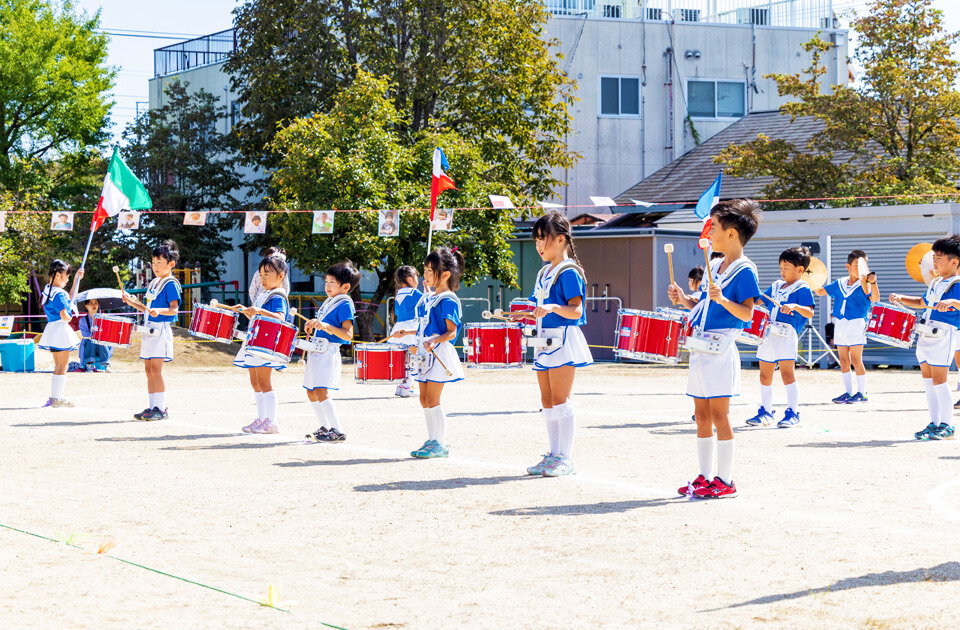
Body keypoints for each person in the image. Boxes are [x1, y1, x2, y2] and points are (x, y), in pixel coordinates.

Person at [668, 199, 763, 499]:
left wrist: (722, 300)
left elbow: (747, 314)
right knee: (701, 414)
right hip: (701, 347)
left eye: (715, 227)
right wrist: (685, 299)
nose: (709, 233)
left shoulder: (745, 270)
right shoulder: (716, 265)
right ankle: (705, 476)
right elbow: (705, 305)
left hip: (721, 349)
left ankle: (726, 480)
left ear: (732, 234)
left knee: (720, 416)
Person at [511, 213, 593, 477]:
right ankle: (553, 454)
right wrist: (523, 313)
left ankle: (564, 457)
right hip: (544, 339)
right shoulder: (544, 271)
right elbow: (538, 306)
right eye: (536, 240)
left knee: (560, 399)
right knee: (547, 400)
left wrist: (552, 307)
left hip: (564, 339)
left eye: (543, 239)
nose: (538, 245)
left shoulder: (569, 271)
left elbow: (576, 310)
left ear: (561, 239)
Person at [890, 236, 960, 440]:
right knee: (929, 382)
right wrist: (901, 298)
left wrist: (954, 301)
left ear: (954, 262)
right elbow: (922, 302)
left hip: (944, 335)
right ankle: (935, 422)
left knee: (940, 381)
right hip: (925, 333)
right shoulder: (936, 282)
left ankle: (948, 425)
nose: (934, 262)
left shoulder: (957, 283)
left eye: (938, 258)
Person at [746, 247, 815, 428]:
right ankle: (766, 412)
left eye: (786, 267)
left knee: (787, 374)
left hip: (786, 335)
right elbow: (758, 301)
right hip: (768, 334)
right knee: (764, 374)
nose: (782, 271)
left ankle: (793, 412)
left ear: (800, 270)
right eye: (781, 268)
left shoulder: (802, 287)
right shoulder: (776, 285)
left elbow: (809, 312)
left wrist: (794, 306)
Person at [409, 247, 465, 458]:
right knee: (423, 399)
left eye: (430, 271)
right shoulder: (431, 297)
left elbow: (451, 332)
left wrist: (434, 340)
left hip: (439, 354)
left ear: (445, 274)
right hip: (425, 353)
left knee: (433, 399)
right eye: (424, 270)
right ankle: (432, 439)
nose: (425, 275)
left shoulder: (448, 300)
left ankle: (439, 443)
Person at [122, 240, 182, 421]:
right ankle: (151, 406)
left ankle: (161, 408)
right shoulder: (154, 282)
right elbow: (146, 308)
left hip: (161, 331)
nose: (155, 266)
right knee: (148, 370)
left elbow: (174, 309)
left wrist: (160, 311)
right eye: (153, 263)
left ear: (171, 264)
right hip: (149, 330)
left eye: (159, 263)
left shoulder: (171, 284)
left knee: (156, 370)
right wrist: (131, 301)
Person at [303, 262, 360, 442]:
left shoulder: (345, 303)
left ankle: (337, 430)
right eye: (326, 281)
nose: (327, 286)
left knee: (321, 390)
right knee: (311, 391)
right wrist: (313, 324)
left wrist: (326, 326)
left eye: (332, 282)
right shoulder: (330, 301)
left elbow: (348, 335)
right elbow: (325, 324)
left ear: (345, 287)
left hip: (328, 352)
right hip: (317, 350)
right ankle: (324, 427)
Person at [235, 254, 290, 434]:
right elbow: (259, 315)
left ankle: (271, 421)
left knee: (265, 382)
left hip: (264, 345)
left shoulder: (277, 296)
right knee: (256, 381)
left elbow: (280, 318)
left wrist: (259, 311)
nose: (262, 278)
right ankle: (261, 418)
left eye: (267, 274)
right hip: (255, 341)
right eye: (260, 274)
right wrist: (246, 310)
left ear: (281, 276)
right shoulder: (264, 294)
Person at [815, 250, 879, 403]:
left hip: (857, 323)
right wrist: (812, 280)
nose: (860, 269)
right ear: (848, 266)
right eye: (856, 265)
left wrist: (873, 283)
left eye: (863, 265)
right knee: (843, 360)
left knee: (856, 360)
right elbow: (820, 291)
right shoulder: (839, 283)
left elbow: (875, 299)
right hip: (840, 323)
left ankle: (862, 393)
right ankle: (848, 392)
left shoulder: (866, 284)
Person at [37, 259, 83, 407]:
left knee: (58, 366)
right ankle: (57, 398)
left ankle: (55, 397)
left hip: (52, 329)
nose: (67, 279)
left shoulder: (47, 290)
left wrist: (77, 280)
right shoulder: (59, 293)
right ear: (58, 275)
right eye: (67, 276)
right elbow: (65, 313)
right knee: (63, 366)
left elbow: (69, 299)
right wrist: (71, 317)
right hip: (61, 329)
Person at [386, 265, 423, 398]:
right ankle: (408, 387)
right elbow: (426, 304)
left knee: (403, 360)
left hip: (399, 326)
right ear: (410, 278)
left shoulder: (398, 294)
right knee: (413, 359)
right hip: (410, 326)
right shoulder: (415, 293)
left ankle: (401, 385)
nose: (418, 279)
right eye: (416, 276)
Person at [78, 298, 113, 372]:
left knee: (101, 341)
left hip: (102, 343)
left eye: (95, 303)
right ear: (86, 306)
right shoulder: (83, 320)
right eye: (91, 303)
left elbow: (107, 334)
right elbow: (86, 336)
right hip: (89, 344)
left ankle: (106, 364)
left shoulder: (104, 318)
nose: (93, 305)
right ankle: (89, 364)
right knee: (92, 340)